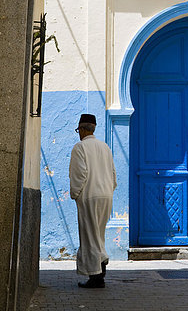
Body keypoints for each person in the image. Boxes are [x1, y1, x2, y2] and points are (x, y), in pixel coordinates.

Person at [69, 113, 117, 288]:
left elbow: (79, 174)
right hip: (106, 195)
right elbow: (113, 174)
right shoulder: (105, 147)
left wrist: (75, 194)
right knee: (99, 235)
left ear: (81, 129)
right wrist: (109, 189)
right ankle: (100, 269)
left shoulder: (79, 147)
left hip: (89, 196)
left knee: (90, 236)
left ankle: (96, 276)